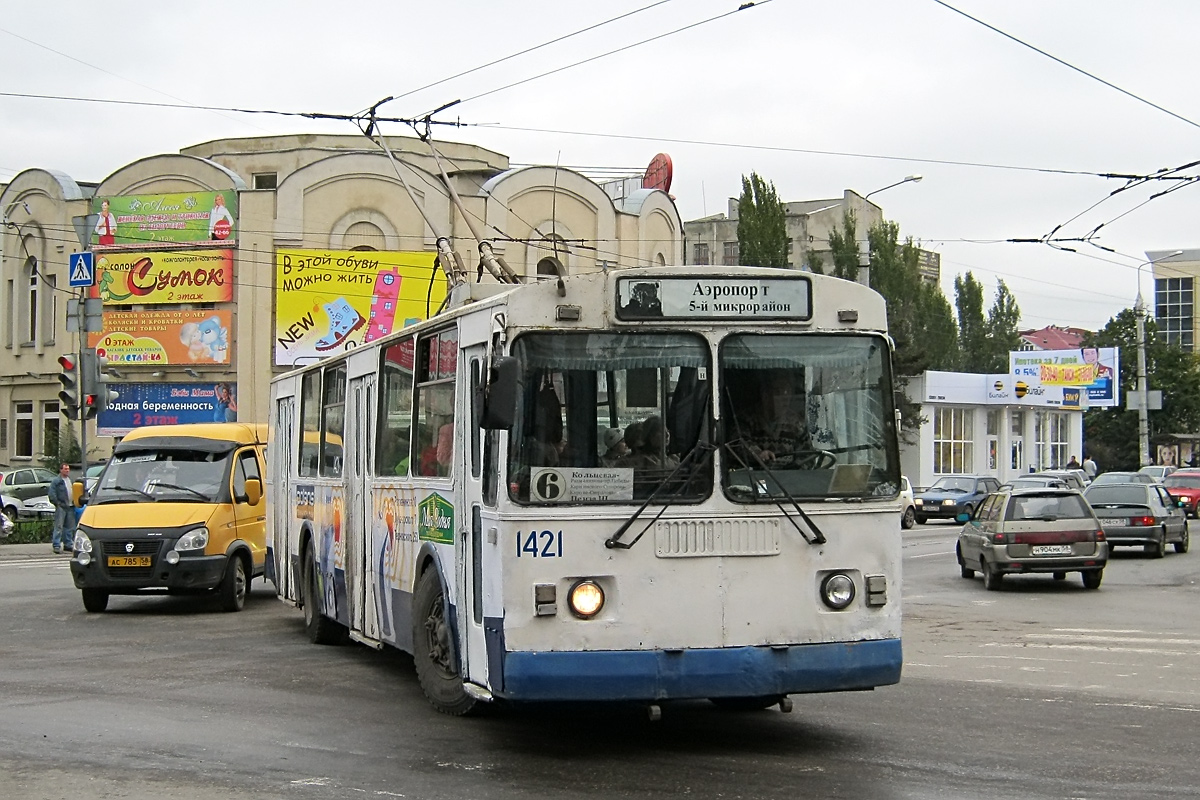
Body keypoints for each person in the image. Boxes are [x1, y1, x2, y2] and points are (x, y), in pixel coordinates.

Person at [48, 462, 76, 554]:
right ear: (61, 470)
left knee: (69, 527)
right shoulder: (57, 481)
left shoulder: (70, 480)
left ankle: (68, 544)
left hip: (70, 506)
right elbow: (52, 493)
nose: (67, 470)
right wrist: (57, 503)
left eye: (68, 469)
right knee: (59, 526)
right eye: (65, 469)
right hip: (61, 506)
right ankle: (56, 545)